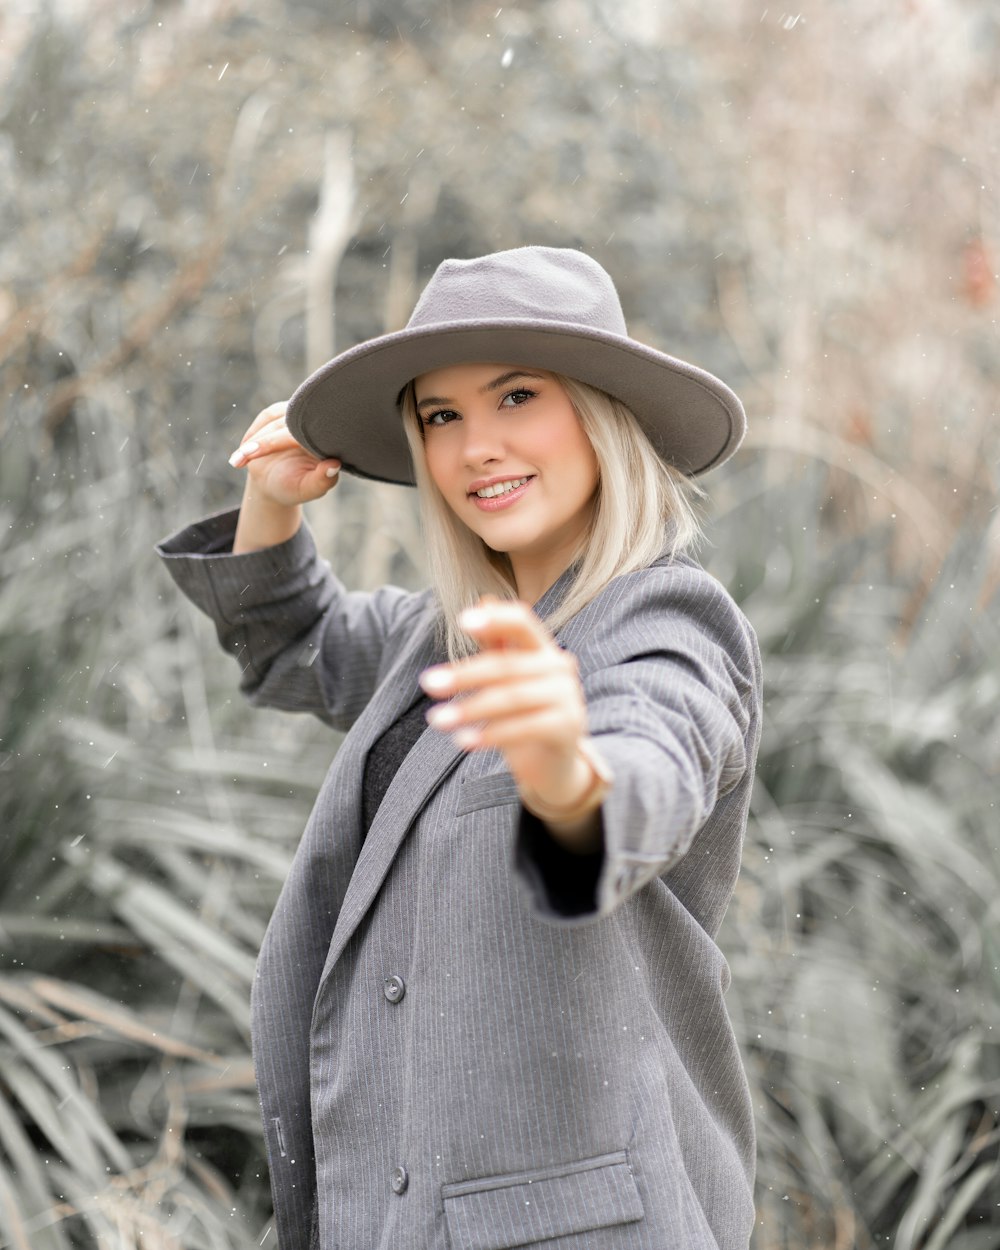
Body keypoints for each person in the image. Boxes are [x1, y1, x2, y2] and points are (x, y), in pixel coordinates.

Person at [157, 246, 762, 1250]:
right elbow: (296, 642)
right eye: (440, 415)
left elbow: (650, 766)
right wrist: (271, 500)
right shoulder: (448, 633)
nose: (476, 444)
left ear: (603, 411)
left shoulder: (664, 614)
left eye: (516, 395)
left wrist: (565, 770)